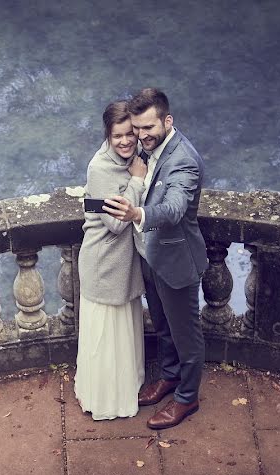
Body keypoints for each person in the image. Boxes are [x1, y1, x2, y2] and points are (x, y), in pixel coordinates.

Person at [107, 88, 208, 430]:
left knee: (185, 334)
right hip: (150, 256)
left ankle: (187, 397)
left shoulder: (184, 160)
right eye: (137, 128)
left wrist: (137, 213)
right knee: (163, 326)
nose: (141, 135)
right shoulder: (149, 150)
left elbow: (176, 208)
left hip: (177, 260)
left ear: (168, 120)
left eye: (148, 127)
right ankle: (169, 377)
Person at [74, 101, 148, 419]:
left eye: (130, 133)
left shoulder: (131, 158)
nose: (125, 141)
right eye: (117, 135)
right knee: (106, 335)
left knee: (123, 331)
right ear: (108, 134)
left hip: (124, 264)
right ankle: (105, 399)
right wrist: (137, 181)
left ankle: (126, 387)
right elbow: (116, 224)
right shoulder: (100, 168)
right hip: (105, 263)